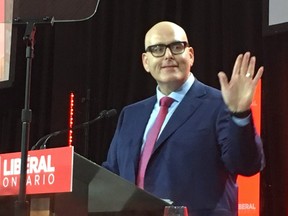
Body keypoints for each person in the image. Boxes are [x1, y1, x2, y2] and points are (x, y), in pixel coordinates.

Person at [102, 21, 265, 216]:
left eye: (176, 47)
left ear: (191, 55)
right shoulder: (130, 115)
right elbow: (110, 175)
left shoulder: (219, 105)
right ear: (146, 61)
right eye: (157, 49)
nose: (168, 55)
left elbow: (246, 165)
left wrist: (240, 115)